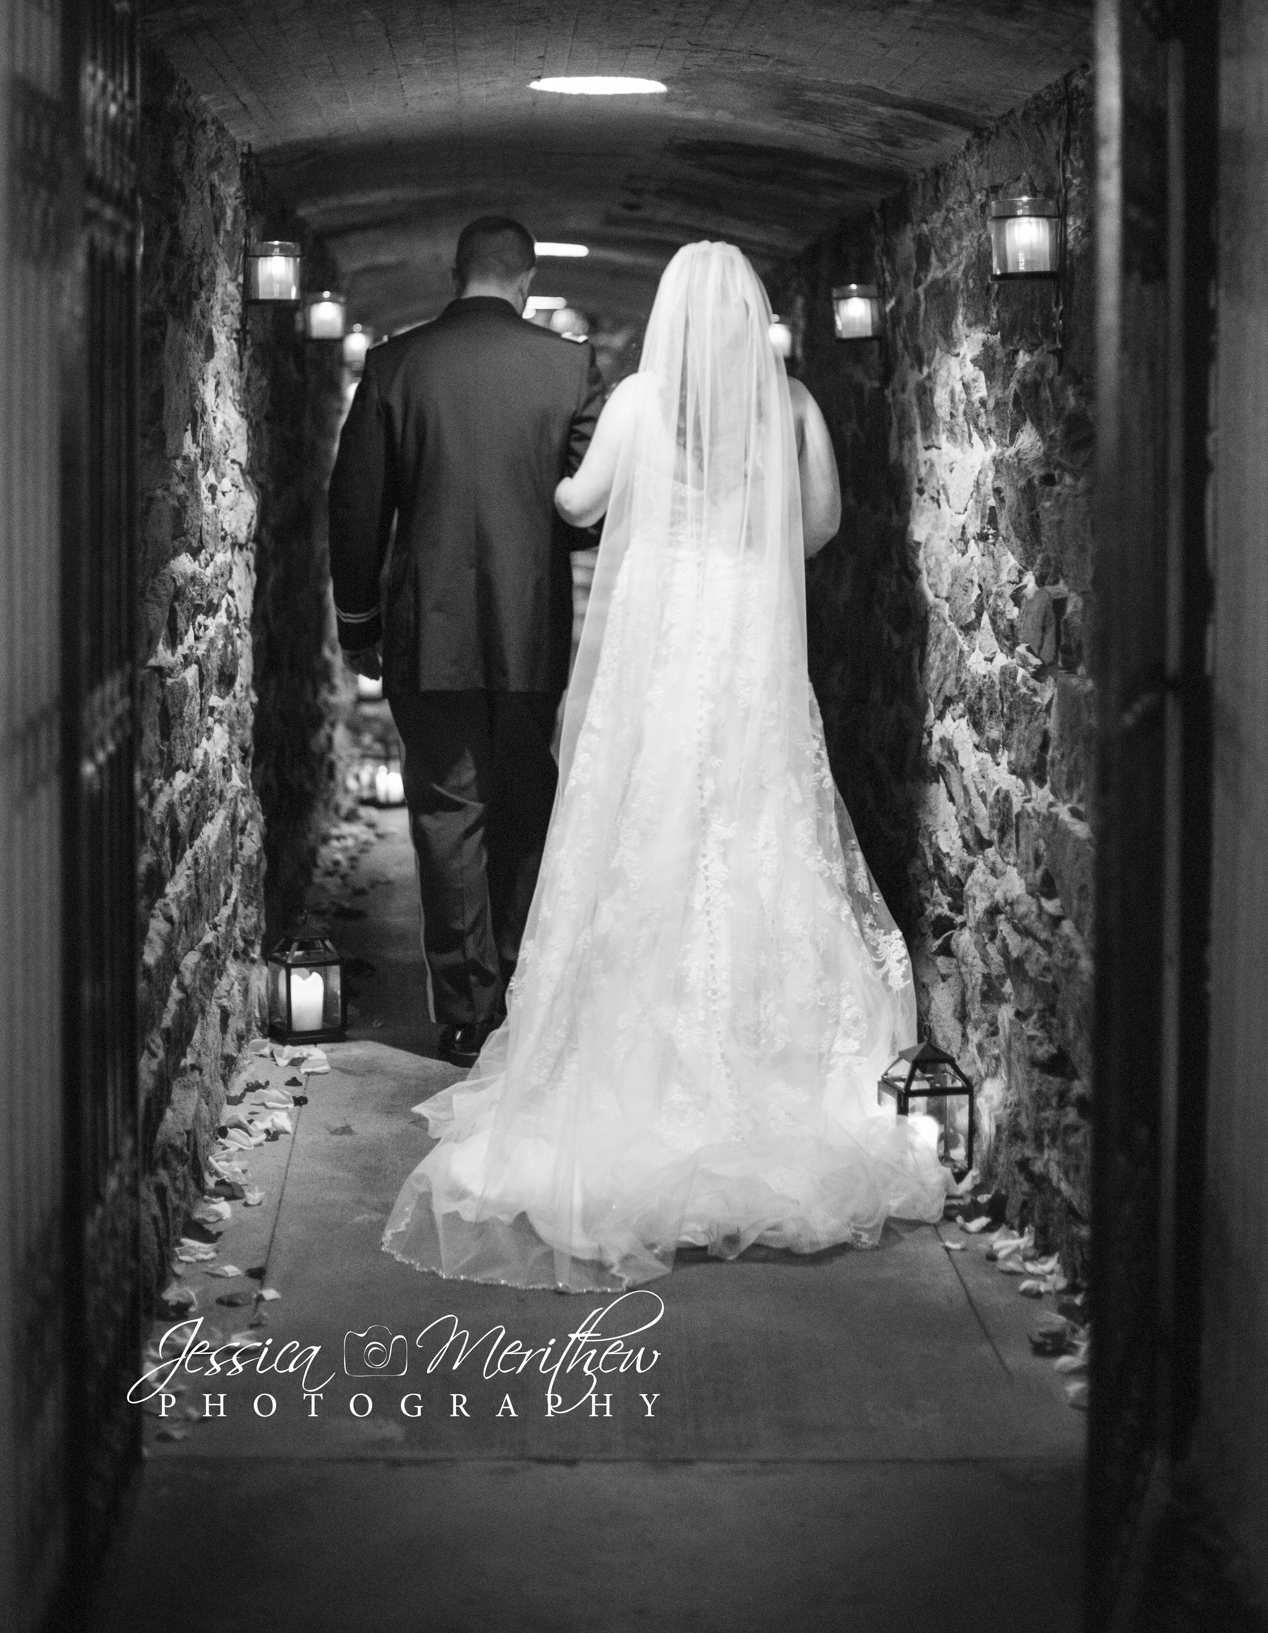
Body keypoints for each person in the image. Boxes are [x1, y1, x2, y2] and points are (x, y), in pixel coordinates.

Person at [382, 240, 948, 1292]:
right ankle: (771, 1064)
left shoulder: (638, 402)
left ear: (670, 316)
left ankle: (628, 1061)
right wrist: (747, 543)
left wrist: (573, 486)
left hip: (661, 643)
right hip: (749, 639)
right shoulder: (793, 407)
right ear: (750, 315)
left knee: (644, 825)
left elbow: (577, 508)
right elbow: (819, 524)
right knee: (758, 820)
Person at [328, 216, 604, 1067]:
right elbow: (586, 512)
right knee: (523, 804)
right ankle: (523, 994)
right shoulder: (568, 366)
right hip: (530, 630)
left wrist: (359, 620)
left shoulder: (396, 365)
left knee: (449, 812)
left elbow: (357, 503)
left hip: (428, 629)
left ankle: (464, 1013)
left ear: (457, 272)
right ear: (525, 278)